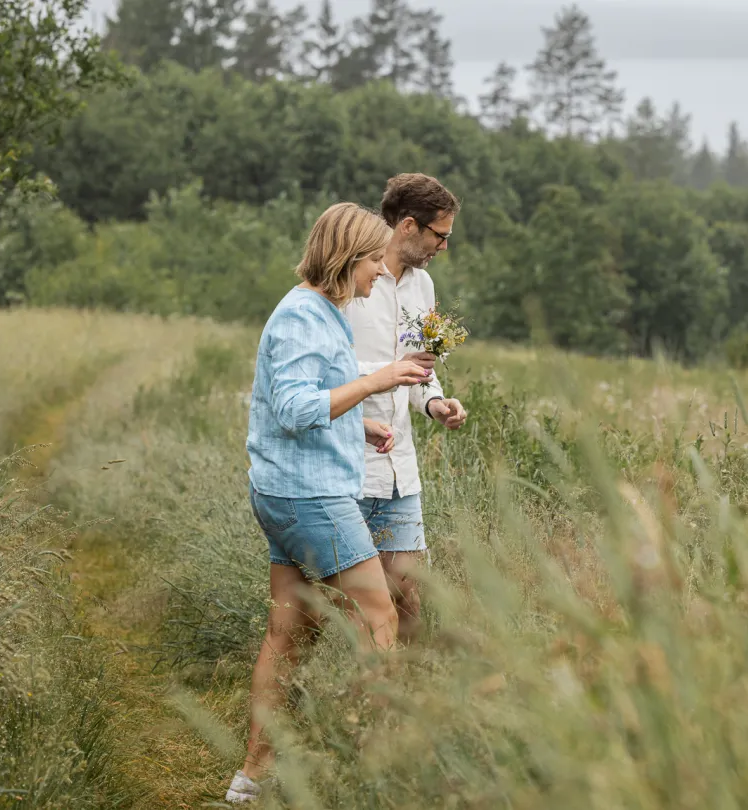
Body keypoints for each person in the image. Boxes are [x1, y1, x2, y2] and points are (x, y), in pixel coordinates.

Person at [227, 202, 431, 804]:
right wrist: (376, 382)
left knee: (286, 632)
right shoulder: (303, 316)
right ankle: (371, 768)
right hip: (309, 497)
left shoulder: (321, 311)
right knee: (381, 617)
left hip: (289, 489)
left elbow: (305, 400)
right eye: (374, 260)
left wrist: (357, 426)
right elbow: (291, 411)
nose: (379, 273)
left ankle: (251, 778)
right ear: (348, 258)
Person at [344, 173, 468, 644]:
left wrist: (436, 401)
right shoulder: (352, 277)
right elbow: (326, 366)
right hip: (351, 460)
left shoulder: (423, 287)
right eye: (442, 235)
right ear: (409, 226)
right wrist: (389, 369)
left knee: (409, 598)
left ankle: (410, 701)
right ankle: (355, 701)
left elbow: (420, 368)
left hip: (401, 470)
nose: (444, 246)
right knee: (355, 605)